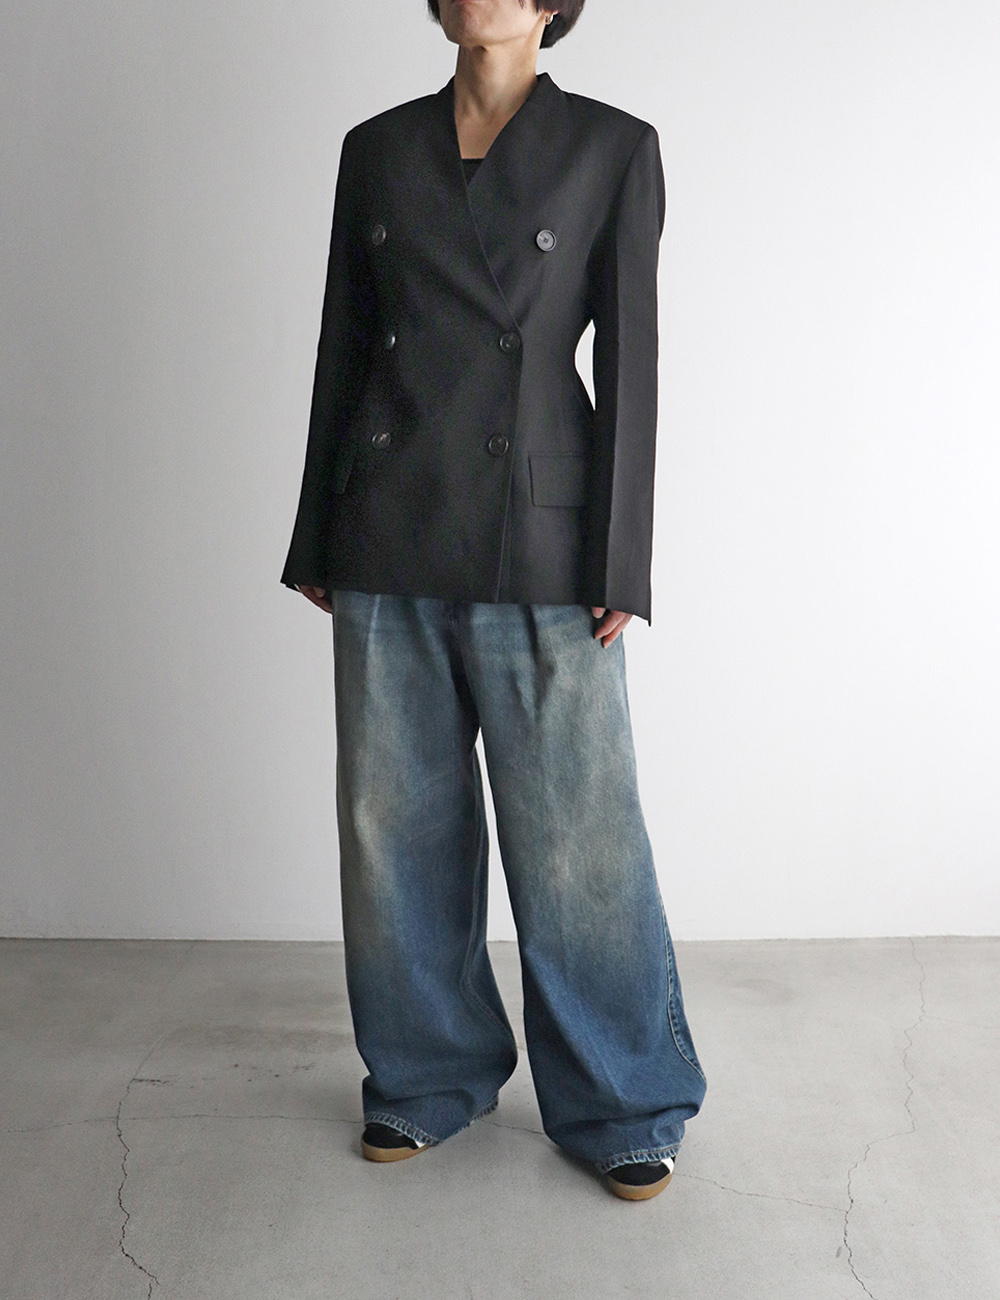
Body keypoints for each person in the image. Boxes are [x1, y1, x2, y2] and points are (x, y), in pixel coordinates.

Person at [281, 0, 706, 1201]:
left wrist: (620, 559)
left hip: (543, 537)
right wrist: (316, 529)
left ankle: (624, 1098)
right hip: (386, 520)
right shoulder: (377, 148)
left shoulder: (612, 146)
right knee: (393, 828)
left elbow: (630, 363)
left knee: (578, 836)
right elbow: (344, 345)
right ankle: (425, 1075)